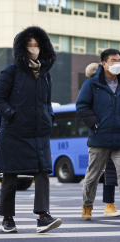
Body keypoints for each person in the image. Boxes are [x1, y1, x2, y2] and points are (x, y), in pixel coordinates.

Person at [0, 26, 62, 233]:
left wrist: (49, 116)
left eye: (36, 45)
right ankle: (7, 218)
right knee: (10, 175)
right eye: (29, 45)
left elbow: (47, 102)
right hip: (14, 132)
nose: (33, 48)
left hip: (39, 132)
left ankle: (42, 216)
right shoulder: (10, 71)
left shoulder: (46, 74)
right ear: (22, 48)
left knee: (42, 172)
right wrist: (12, 115)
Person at [76, 49, 120, 220]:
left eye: (119, 60)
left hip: (119, 138)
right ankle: (87, 207)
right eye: (114, 60)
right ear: (104, 63)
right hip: (99, 138)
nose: (117, 63)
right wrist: (95, 125)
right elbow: (81, 106)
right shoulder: (92, 83)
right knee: (92, 176)